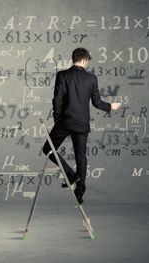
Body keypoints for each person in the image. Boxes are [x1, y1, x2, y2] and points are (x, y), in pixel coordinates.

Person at [42, 47, 121, 205]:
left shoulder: (62, 75)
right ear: (84, 60)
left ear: (74, 59)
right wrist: (111, 106)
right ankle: (79, 192)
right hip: (82, 123)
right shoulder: (92, 78)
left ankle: (70, 174)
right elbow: (97, 103)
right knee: (81, 157)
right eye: (88, 61)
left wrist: (58, 120)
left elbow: (57, 100)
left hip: (65, 121)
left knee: (48, 149)